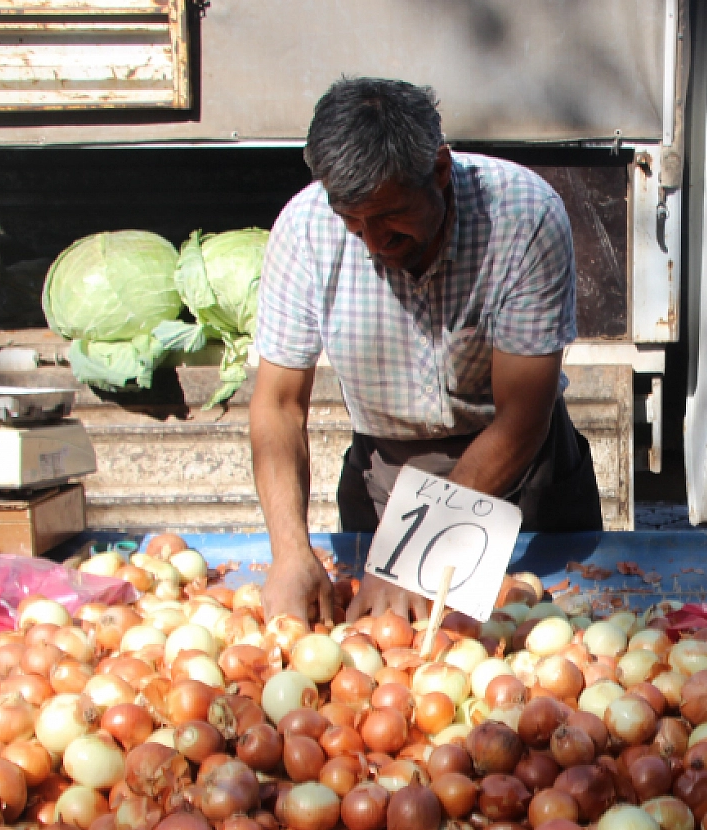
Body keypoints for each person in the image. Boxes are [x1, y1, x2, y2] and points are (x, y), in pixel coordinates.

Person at [250, 77, 602, 626]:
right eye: (353, 223)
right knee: (392, 649)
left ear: (439, 171)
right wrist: (290, 552)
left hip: (521, 474)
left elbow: (522, 419)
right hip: (385, 471)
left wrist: (413, 550)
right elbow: (278, 406)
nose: (373, 242)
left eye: (390, 219)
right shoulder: (304, 230)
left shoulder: (524, 216)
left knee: (534, 627)